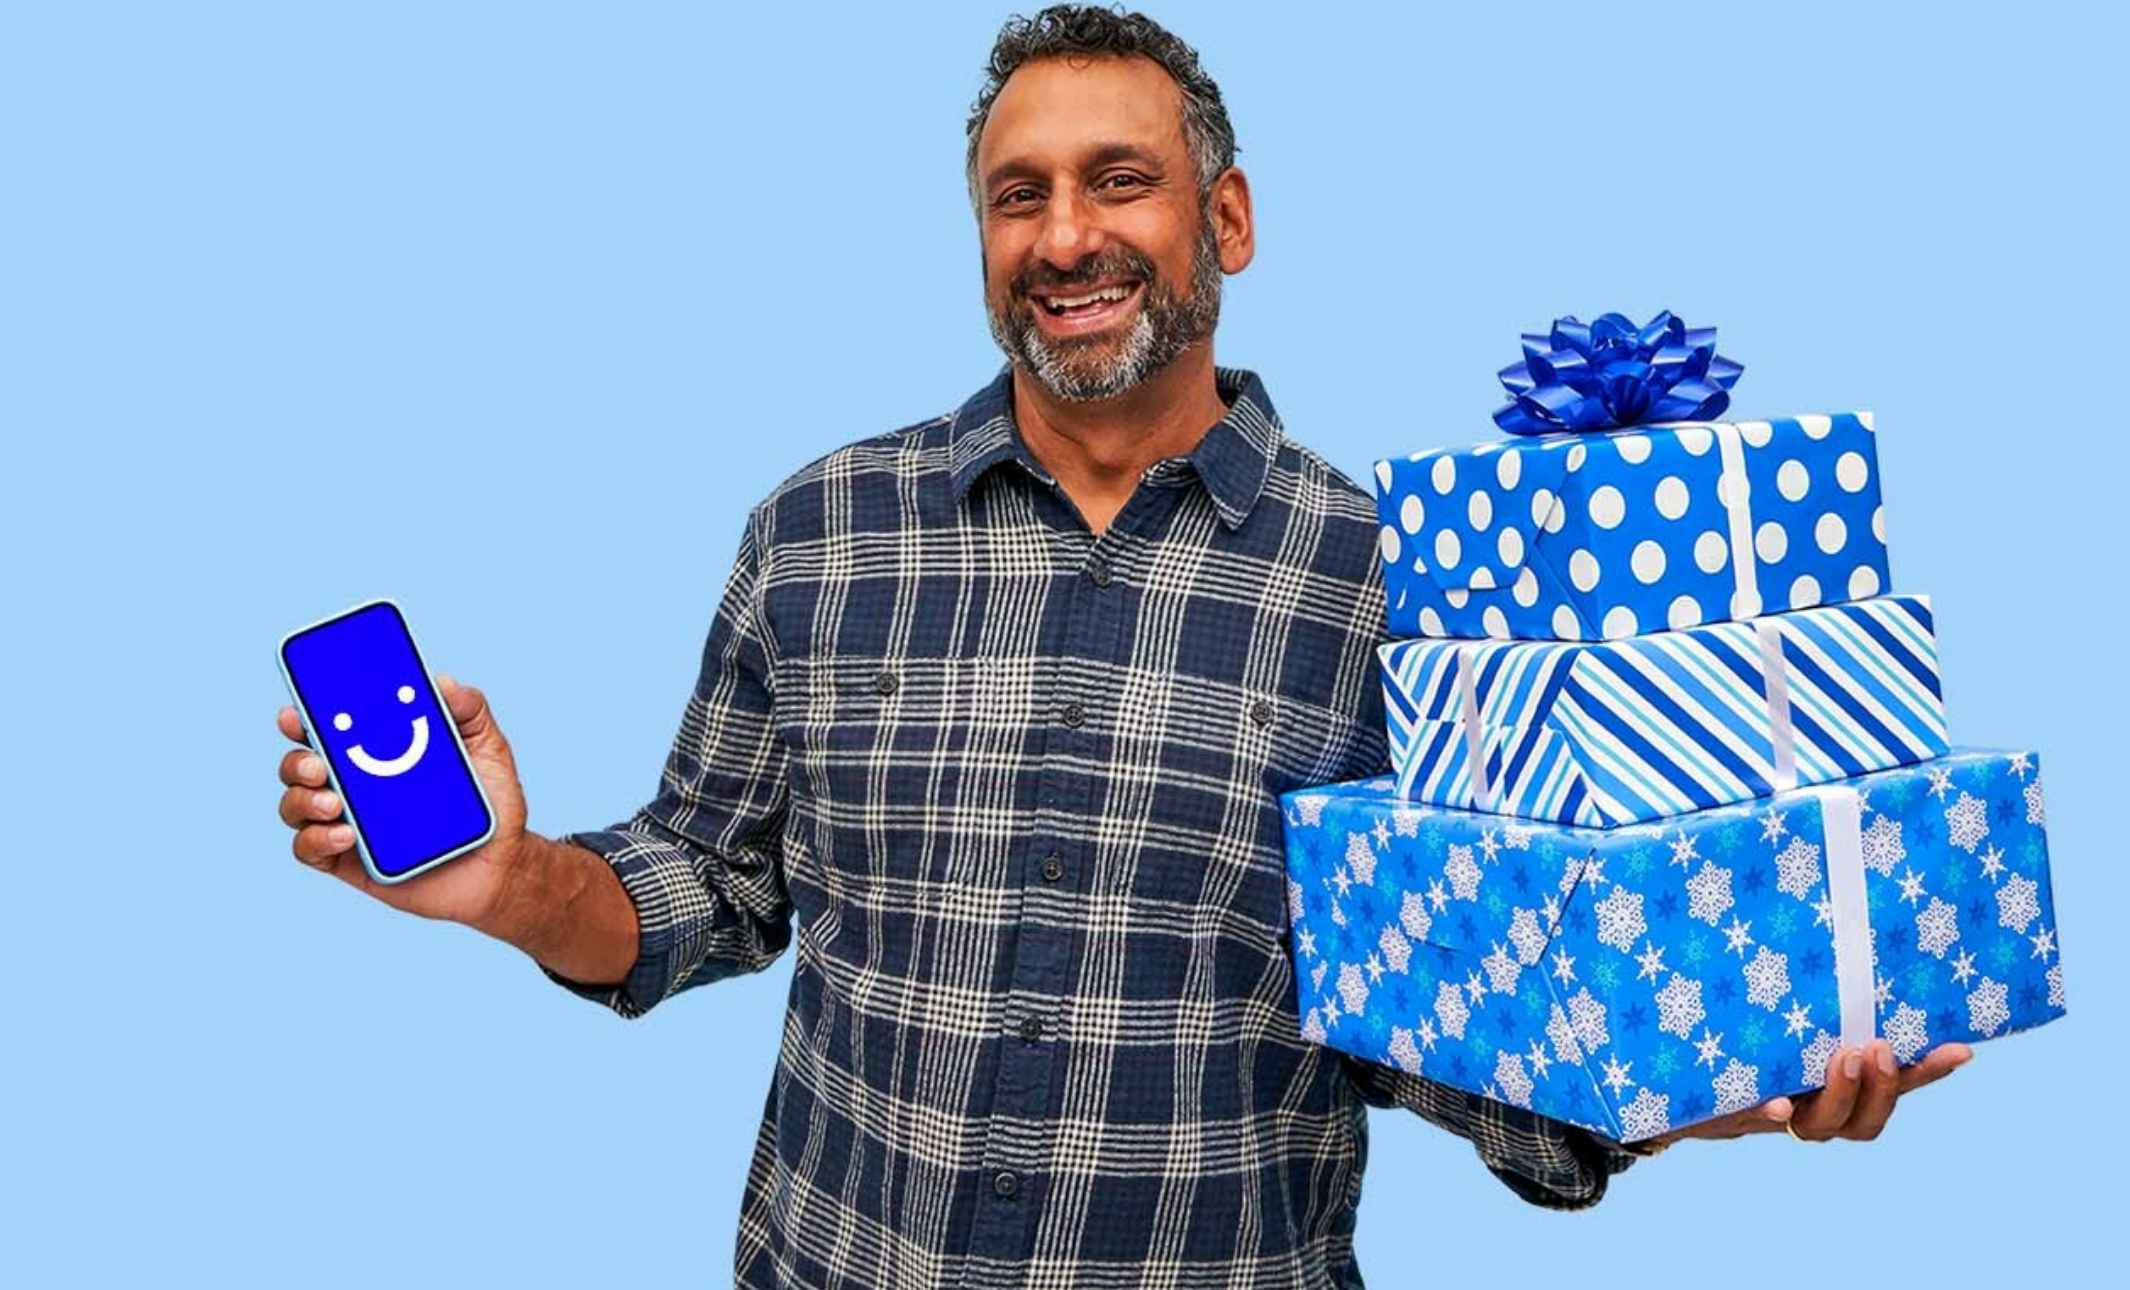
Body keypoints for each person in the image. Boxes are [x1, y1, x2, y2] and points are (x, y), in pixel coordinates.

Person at [271, 6, 1972, 1286]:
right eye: (1019, 195)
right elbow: (705, 883)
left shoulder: (1408, 582)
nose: (1065, 235)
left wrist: (1711, 1081)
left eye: (1118, 181)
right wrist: (506, 876)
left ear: (1224, 222)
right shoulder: (817, 528)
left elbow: (1468, 1006)